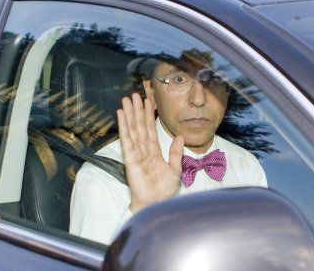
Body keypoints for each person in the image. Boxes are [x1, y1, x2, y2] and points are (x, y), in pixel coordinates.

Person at [69, 50, 267, 244]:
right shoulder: (101, 180)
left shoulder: (247, 165)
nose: (198, 99)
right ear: (151, 91)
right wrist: (143, 208)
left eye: (213, 79)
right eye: (179, 79)